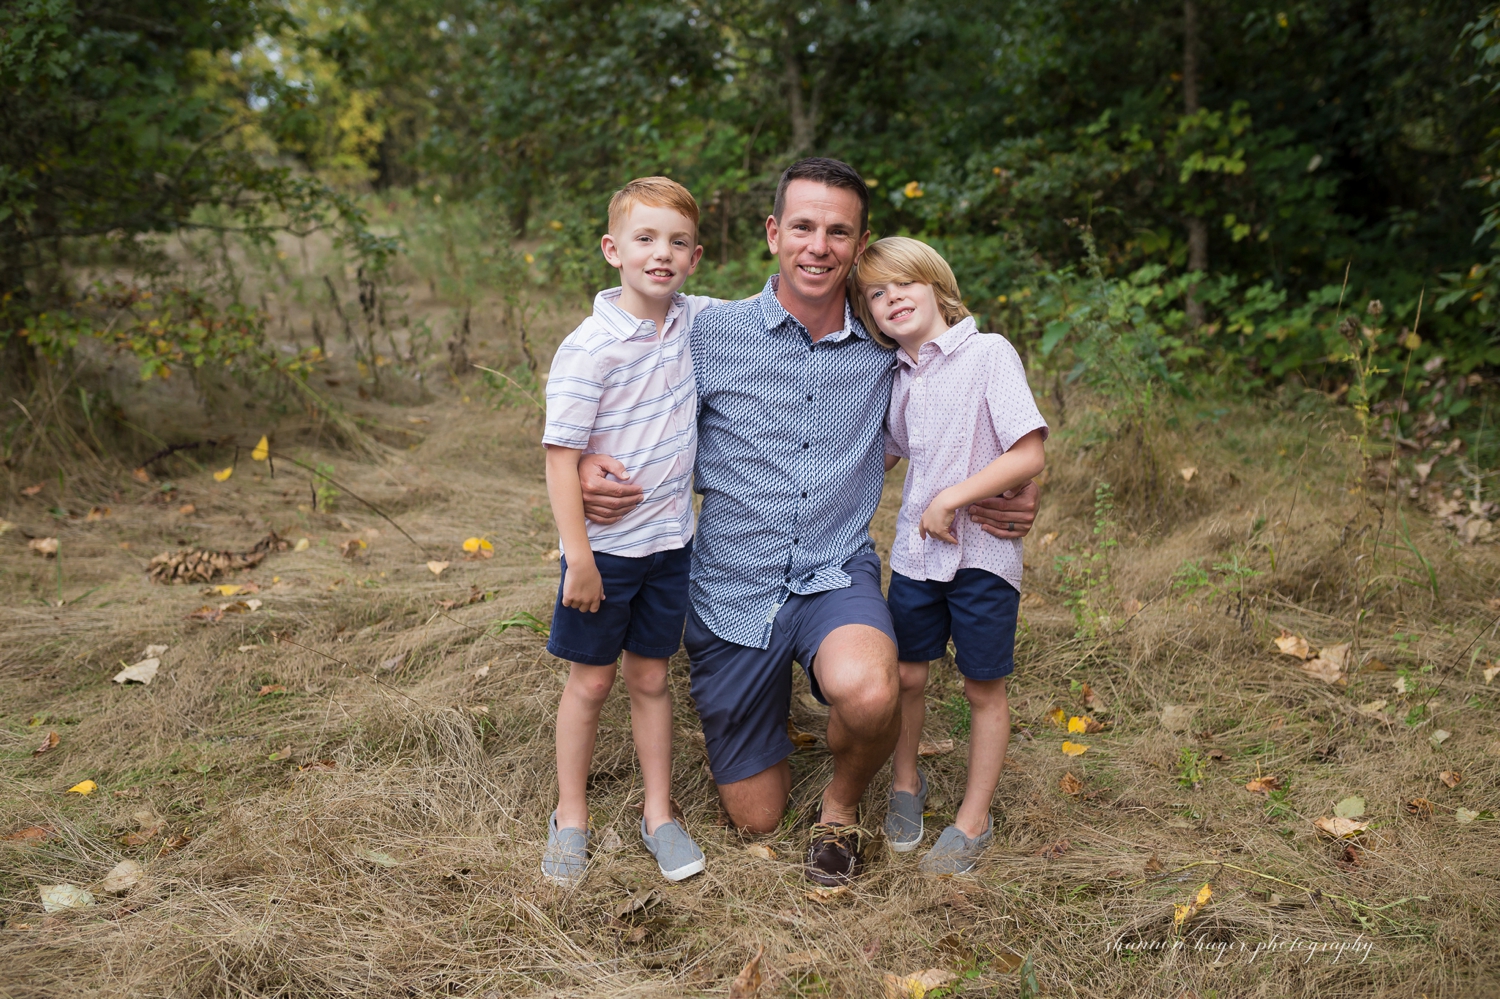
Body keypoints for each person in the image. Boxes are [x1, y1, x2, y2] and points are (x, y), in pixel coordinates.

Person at [574, 158, 1042, 886]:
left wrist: (1017, 490)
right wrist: (583, 464)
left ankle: (839, 807)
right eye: (802, 227)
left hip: (833, 571)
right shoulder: (708, 330)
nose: (818, 246)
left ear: (859, 245)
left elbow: (964, 406)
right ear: (773, 233)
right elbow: (616, 376)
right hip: (731, 585)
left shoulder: (886, 348)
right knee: (756, 815)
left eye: (838, 232)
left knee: (872, 689)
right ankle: (763, 715)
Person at [851, 237, 1047, 874]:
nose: (892, 299)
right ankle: (906, 782)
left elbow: (1027, 452)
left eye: (904, 284)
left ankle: (973, 819)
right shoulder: (899, 376)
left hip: (982, 556)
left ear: (937, 287)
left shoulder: (988, 353)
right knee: (908, 675)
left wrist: (951, 499)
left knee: (982, 685)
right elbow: (887, 453)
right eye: (876, 294)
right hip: (916, 558)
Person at [539, 177, 714, 886]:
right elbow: (560, 458)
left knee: (650, 676)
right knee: (590, 682)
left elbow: (772, 308)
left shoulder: (695, 320)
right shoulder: (590, 348)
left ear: (695, 257)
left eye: (677, 242)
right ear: (613, 250)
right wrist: (579, 557)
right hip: (605, 552)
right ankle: (570, 816)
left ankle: (658, 813)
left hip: (669, 545)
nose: (661, 254)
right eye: (645, 239)